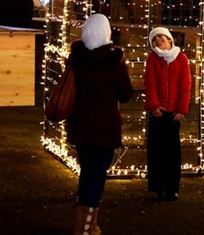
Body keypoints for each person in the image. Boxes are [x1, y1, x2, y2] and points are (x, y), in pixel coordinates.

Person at [65, 14, 134, 235]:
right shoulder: (113, 59)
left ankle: (84, 221)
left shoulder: (76, 56)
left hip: (81, 124)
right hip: (104, 126)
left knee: (87, 169)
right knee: (98, 173)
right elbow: (125, 94)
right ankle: (86, 226)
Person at [143, 27, 192, 201]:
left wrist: (181, 109)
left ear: (170, 39)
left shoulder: (181, 59)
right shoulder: (153, 59)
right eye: (154, 39)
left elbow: (185, 85)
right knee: (156, 150)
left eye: (161, 37)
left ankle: (171, 187)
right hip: (158, 113)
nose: (158, 40)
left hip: (173, 114)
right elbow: (150, 83)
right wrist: (154, 106)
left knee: (172, 152)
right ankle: (158, 187)